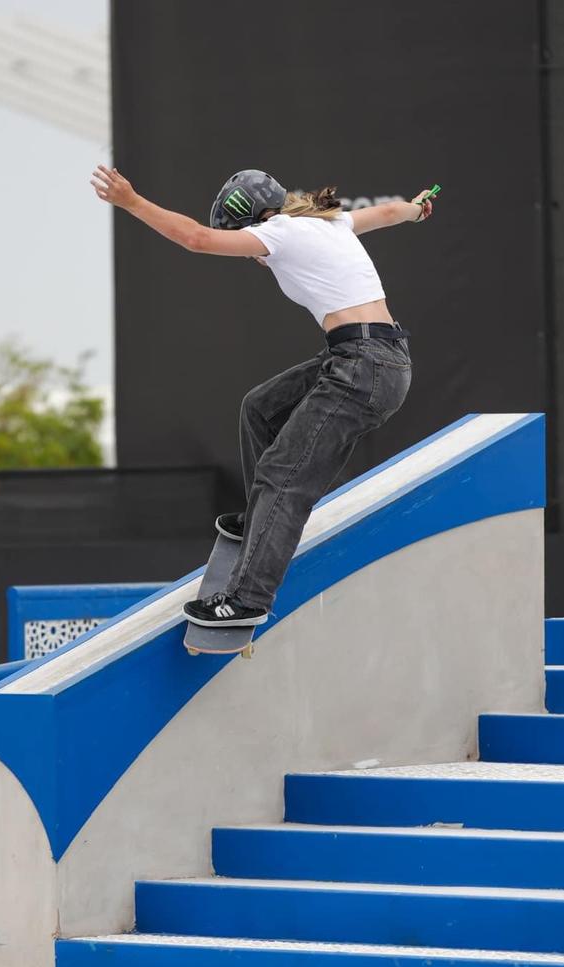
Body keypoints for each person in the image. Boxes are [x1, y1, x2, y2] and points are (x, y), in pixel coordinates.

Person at [90, 166, 434, 628]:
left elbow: (196, 238)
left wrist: (132, 201)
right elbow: (393, 210)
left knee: (282, 474)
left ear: (254, 219)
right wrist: (417, 210)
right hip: (374, 358)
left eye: (247, 241)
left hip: (363, 368)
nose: (255, 255)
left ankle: (248, 599)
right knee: (261, 406)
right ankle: (262, 520)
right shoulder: (332, 222)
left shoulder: (280, 231)